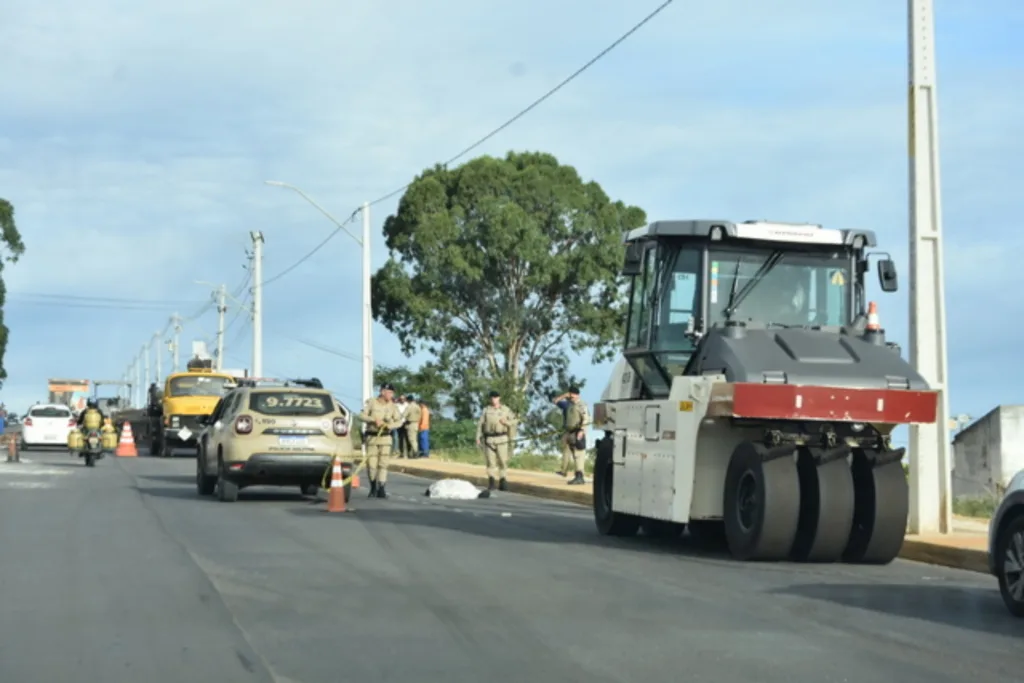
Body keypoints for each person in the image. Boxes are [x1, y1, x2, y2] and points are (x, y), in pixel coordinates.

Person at [358, 383, 403, 498]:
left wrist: (389, 426)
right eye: (389, 392)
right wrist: (374, 420)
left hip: (386, 438)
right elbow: (361, 416)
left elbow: (399, 422)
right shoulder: (371, 402)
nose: (391, 395)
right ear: (382, 392)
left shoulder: (393, 406)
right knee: (372, 464)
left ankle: (382, 487)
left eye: (392, 393)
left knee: (383, 464)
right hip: (372, 438)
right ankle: (373, 486)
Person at [475, 390, 518, 491]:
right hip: (489, 439)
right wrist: (478, 437)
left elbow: (515, 421)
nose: (494, 399)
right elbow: (480, 424)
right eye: (492, 397)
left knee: (503, 461)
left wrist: (506, 422)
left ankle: (503, 480)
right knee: (490, 462)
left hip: (502, 438)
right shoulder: (486, 410)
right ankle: (491, 481)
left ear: (499, 398)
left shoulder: (506, 410)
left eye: (496, 397)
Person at [562, 386, 590, 485]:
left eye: (572, 394)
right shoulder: (570, 405)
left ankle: (580, 477)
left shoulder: (581, 405)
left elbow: (586, 419)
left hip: (578, 432)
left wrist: (582, 430)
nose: (571, 396)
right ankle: (576, 475)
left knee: (579, 455)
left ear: (577, 395)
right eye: (570, 394)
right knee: (574, 455)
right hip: (570, 433)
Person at [551, 391, 574, 476]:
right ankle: (579, 473)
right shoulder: (579, 405)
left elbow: (555, 401)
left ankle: (564, 471)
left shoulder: (566, 405)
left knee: (566, 451)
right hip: (578, 431)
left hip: (568, 431)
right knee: (576, 453)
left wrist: (563, 395)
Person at [402, 395, 421, 459]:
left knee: (411, 439)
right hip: (416, 423)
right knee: (415, 439)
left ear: (408, 400)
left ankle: (415, 452)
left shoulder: (409, 407)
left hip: (410, 423)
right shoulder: (418, 406)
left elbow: (404, 415)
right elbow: (420, 415)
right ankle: (415, 452)